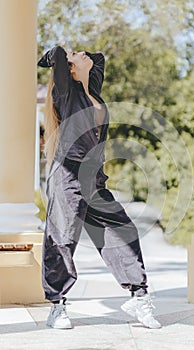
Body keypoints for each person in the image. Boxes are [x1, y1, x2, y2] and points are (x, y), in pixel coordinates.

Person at [37, 46, 161, 330]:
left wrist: (79, 60)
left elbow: (100, 58)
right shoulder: (65, 92)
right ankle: (57, 306)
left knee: (123, 231)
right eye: (77, 53)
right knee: (62, 239)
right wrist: (62, 55)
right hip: (67, 176)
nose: (84, 52)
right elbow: (52, 54)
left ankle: (138, 297)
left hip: (94, 178)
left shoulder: (90, 88)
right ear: (67, 68)